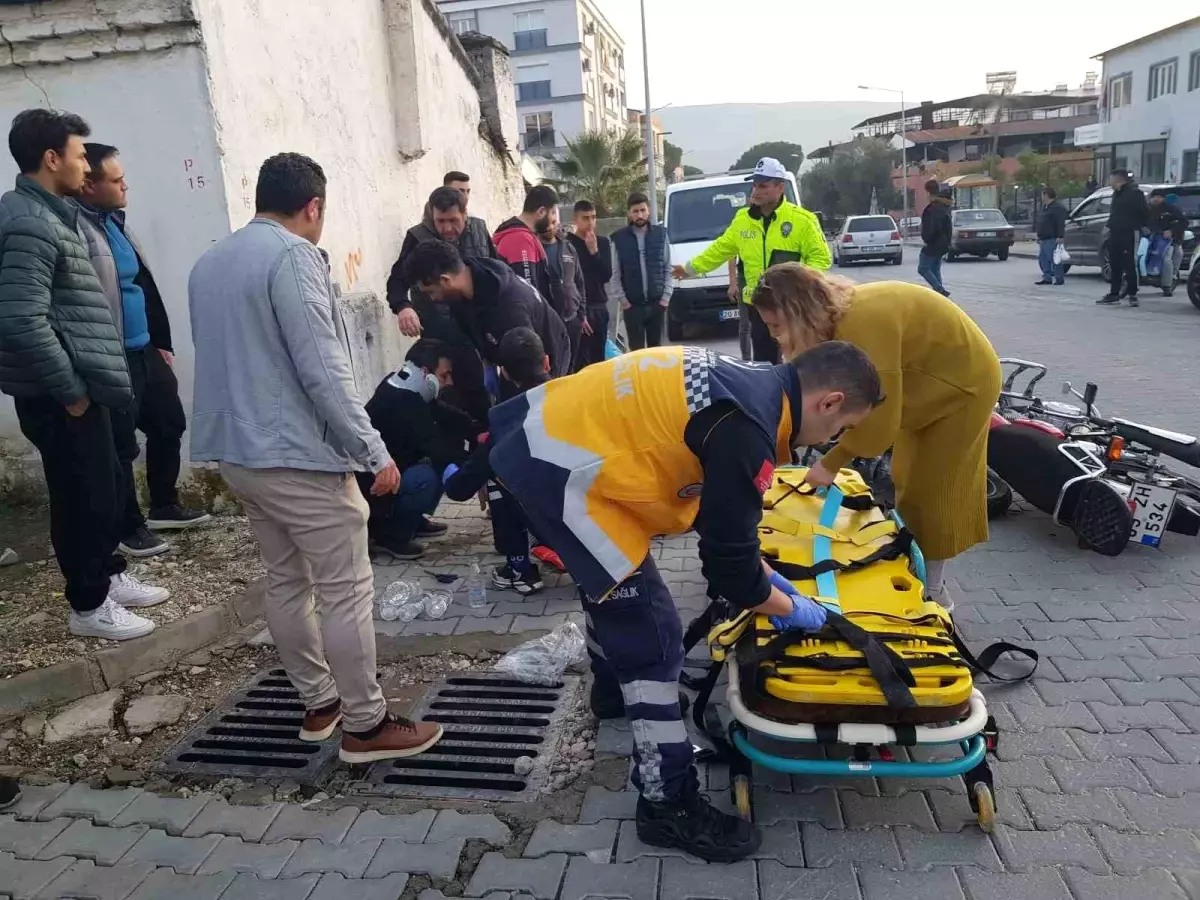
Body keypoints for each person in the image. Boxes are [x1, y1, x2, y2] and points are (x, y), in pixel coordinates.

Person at [487, 340, 882, 860]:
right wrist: (791, 609)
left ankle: (612, 692)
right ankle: (666, 804)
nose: (833, 439)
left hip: (544, 436)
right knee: (654, 640)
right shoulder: (748, 428)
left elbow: (725, 531)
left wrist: (766, 577)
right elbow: (728, 570)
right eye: (842, 427)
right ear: (829, 402)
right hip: (560, 473)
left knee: (609, 585)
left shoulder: (751, 384)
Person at [189, 152, 441, 763]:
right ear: (313, 207)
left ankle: (320, 703)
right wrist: (373, 451)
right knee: (345, 588)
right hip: (296, 455)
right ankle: (366, 725)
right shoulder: (294, 256)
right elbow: (324, 370)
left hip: (238, 454)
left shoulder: (210, 262)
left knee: (285, 578)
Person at [751, 263, 1002, 613]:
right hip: (926, 383)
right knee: (906, 478)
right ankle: (916, 563)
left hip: (962, 387)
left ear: (798, 315)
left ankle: (934, 592)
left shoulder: (863, 328)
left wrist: (832, 462)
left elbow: (879, 422)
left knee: (934, 490)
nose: (775, 337)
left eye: (776, 327)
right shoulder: (834, 318)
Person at [1, 109, 160, 641]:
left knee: (105, 486)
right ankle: (89, 606)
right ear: (51, 159)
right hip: (59, 393)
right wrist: (70, 391)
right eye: (76, 156)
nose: (84, 167)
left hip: (83, 385)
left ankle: (107, 577)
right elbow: (22, 319)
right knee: (81, 497)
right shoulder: (29, 222)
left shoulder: (52, 213)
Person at [75, 142, 210, 564]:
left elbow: (141, 285)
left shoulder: (116, 223)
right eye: (116, 180)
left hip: (144, 347)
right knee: (120, 444)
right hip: (112, 353)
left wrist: (160, 341)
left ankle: (164, 505)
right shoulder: (77, 231)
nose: (125, 185)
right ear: (89, 186)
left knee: (169, 422)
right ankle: (128, 526)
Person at [672, 158, 830, 361]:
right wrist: (689, 269)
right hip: (759, 308)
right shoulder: (742, 220)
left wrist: (798, 287)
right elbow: (719, 250)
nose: (756, 191)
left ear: (780, 187)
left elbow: (821, 259)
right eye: (754, 185)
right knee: (764, 363)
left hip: (792, 307)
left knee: (799, 360)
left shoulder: (802, 221)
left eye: (763, 186)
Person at [443, 327, 553, 595]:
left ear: (504, 373)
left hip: (554, 523)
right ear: (547, 362)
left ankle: (519, 569)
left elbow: (460, 488)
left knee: (498, 472)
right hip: (603, 523)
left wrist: (449, 472)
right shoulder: (579, 396)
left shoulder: (507, 420)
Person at [359, 339, 477, 560]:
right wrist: (476, 466)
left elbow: (442, 412)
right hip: (376, 493)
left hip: (387, 476)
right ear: (425, 372)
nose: (449, 382)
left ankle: (411, 521)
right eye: (444, 375)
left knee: (440, 459)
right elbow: (436, 447)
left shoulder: (399, 386)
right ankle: (390, 535)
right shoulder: (404, 402)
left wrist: (475, 429)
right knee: (429, 475)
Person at [388, 185, 496, 423]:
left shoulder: (480, 230)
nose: (447, 228)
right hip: (439, 335)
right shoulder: (418, 237)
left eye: (453, 220)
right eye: (440, 221)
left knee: (482, 396)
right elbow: (397, 281)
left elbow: (496, 270)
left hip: (478, 333)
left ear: (465, 214)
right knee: (447, 399)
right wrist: (403, 307)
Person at [402, 239, 572, 385]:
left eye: (431, 292)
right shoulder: (464, 288)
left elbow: (529, 372)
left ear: (445, 280)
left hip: (546, 356)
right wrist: (488, 363)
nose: (433, 299)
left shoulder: (509, 309)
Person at [608, 191, 673, 350]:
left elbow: (667, 268)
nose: (640, 215)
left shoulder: (661, 235)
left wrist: (665, 298)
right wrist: (624, 302)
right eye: (635, 211)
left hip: (657, 304)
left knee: (656, 353)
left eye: (643, 210)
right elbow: (615, 274)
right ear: (629, 214)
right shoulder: (619, 239)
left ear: (648, 210)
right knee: (636, 353)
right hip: (632, 307)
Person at [565, 200, 613, 369]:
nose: (590, 222)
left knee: (599, 362)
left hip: (599, 307)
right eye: (585, 218)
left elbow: (606, 275)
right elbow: (569, 282)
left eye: (593, 217)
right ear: (575, 220)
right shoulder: (567, 245)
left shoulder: (602, 243)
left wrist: (594, 252)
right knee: (581, 363)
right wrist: (579, 313)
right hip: (579, 310)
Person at [539, 219, 586, 368]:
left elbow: (579, 281)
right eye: (546, 223)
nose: (550, 226)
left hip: (572, 319)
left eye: (553, 222)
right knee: (553, 367)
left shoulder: (568, 247)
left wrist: (581, 314)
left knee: (571, 366)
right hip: (549, 323)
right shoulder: (534, 249)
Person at [1099, 169, 1147, 307]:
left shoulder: (1135, 193)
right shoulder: (1116, 194)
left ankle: (1133, 294)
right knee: (1115, 264)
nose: (1109, 182)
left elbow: (1143, 212)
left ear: (1118, 179)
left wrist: (1138, 226)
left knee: (1129, 263)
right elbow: (1115, 213)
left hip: (1129, 232)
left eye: (1111, 179)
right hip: (1115, 233)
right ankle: (1114, 293)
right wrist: (1109, 225)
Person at [1148, 188, 1187, 297]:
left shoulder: (1171, 209)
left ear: (1163, 198)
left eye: (1159, 197)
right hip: (1150, 240)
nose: (1156, 199)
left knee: (1167, 258)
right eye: (1154, 197)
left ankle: (1167, 284)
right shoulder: (1146, 210)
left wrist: (1171, 231)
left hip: (1169, 241)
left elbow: (1184, 222)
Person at [917, 180, 952, 297]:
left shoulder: (932, 209)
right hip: (943, 243)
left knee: (923, 268)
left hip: (933, 243)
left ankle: (939, 290)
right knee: (934, 268)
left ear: (928, 193)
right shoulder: (945, 206)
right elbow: (948, 226)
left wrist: (927, 239)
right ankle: (940, 295)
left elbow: (931, 227)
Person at [1034, 187, 1068, 286]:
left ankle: (1059, 278)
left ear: (1046, 195)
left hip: (1052, 237)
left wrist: (1060, 236)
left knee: (1054, 258)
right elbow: (1041, 221)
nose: (1041, 197)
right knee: (1043, 259)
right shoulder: (1045, 207)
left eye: (1042, 195)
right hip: (1043, 238)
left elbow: (1060, 222)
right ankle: (1047, 277)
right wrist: (1038, 235)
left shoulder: (1057, 208)